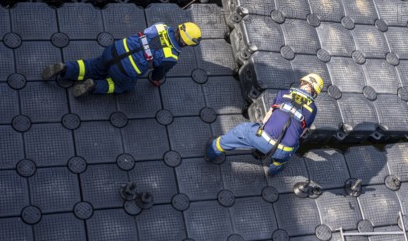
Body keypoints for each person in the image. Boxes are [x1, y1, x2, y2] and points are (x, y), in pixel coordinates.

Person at [205, 73, 324, 176]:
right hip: (284, 151)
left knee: (241, 130)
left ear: (302, 82)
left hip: (263, 139)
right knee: (289, 151)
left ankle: (213, 150)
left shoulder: (284, 93)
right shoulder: (313, 110)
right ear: (315, 93)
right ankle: (273, 170)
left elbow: (268, 116)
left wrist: (263, 128)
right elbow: (302, 132)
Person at [42, 22, 202, 97]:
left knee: (93, 66)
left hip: (115, 49)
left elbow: (148, 36)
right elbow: (156, 76)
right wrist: (156, 81)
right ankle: (95, 86)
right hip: (125, 71)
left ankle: (66, 69)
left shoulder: (160, 26)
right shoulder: (172, 57)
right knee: (125, 87)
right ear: (186, 43)